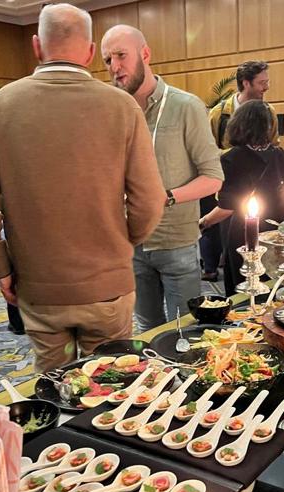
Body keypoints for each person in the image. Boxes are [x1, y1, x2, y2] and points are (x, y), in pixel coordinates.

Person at [0, 4, 165, 372]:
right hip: (108, 285)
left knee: (51, 386)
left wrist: (1, 266)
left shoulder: (1, 105)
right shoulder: (121, 106)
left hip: (38, 288)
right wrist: (123, 241)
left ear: (37, 45)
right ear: (90, 53)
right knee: (110, 387)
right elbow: (151, 199)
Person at [101, 25, 223, 332]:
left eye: (121, 56)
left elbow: (213, 177)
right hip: (131, 245)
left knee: (187, 334)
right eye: (107, 60)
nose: (115, 67)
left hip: (176, 244)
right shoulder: (111, 112)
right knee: (147, 332)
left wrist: (165, 197)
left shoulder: (186, 107)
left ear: (145, 54)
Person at [200, 100, 284, 296]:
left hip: (242, 232)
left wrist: (203, 222)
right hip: (276, 233)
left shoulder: (232, 158)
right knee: (273, 286)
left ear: (238, 124)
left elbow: (228, 206)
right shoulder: (280, 155)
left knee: (242, 288)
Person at [209, 60, 279, 150]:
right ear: (246, 83)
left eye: (267, 82)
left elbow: (274, 147)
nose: (266, 87)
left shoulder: (269, 112)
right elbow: (209, 153)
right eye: (262, 83)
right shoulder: (218, 114)